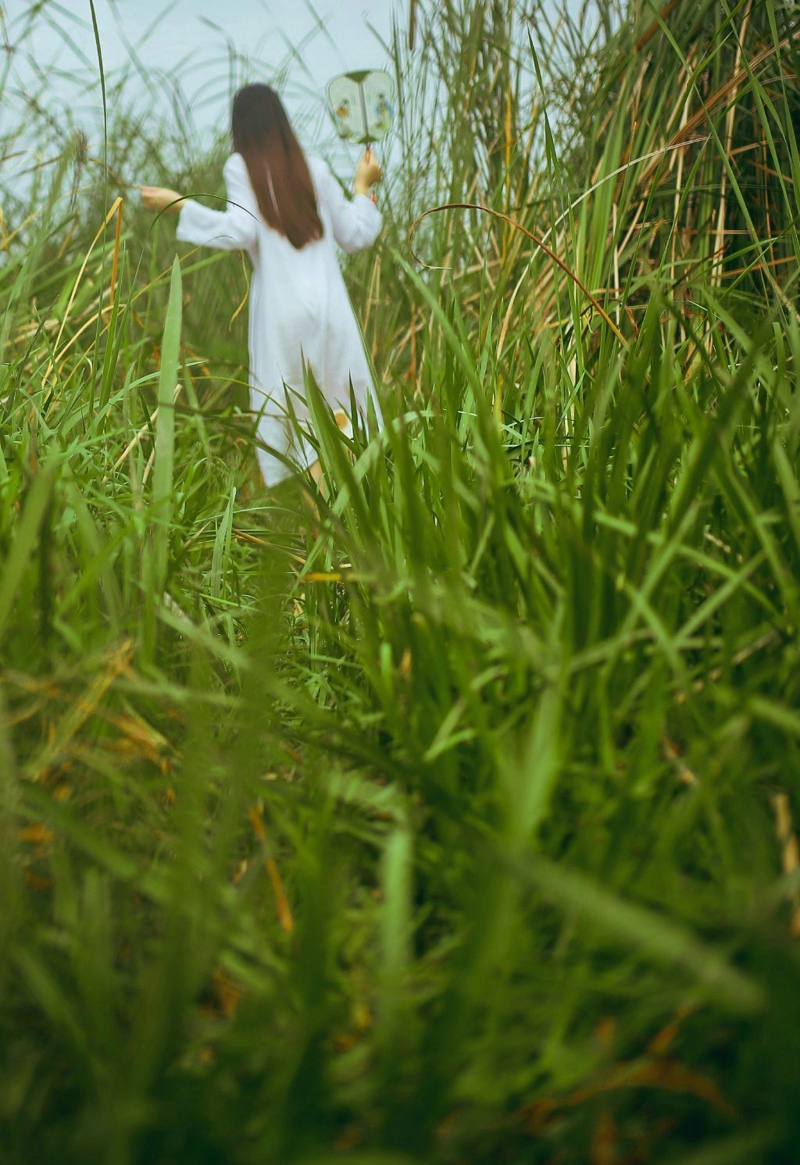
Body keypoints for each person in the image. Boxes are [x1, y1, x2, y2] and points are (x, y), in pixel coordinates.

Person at [141, 83, 383, 487]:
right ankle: (354, 520)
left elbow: (238, 231)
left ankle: (327, 537)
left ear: (241, 129)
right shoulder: (314, 167)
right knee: (342, 417)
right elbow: (355, 235)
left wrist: (180, 202)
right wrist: (362, 187)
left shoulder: (241, 167)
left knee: (298, 427)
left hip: (284, 317)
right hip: (331, 313)